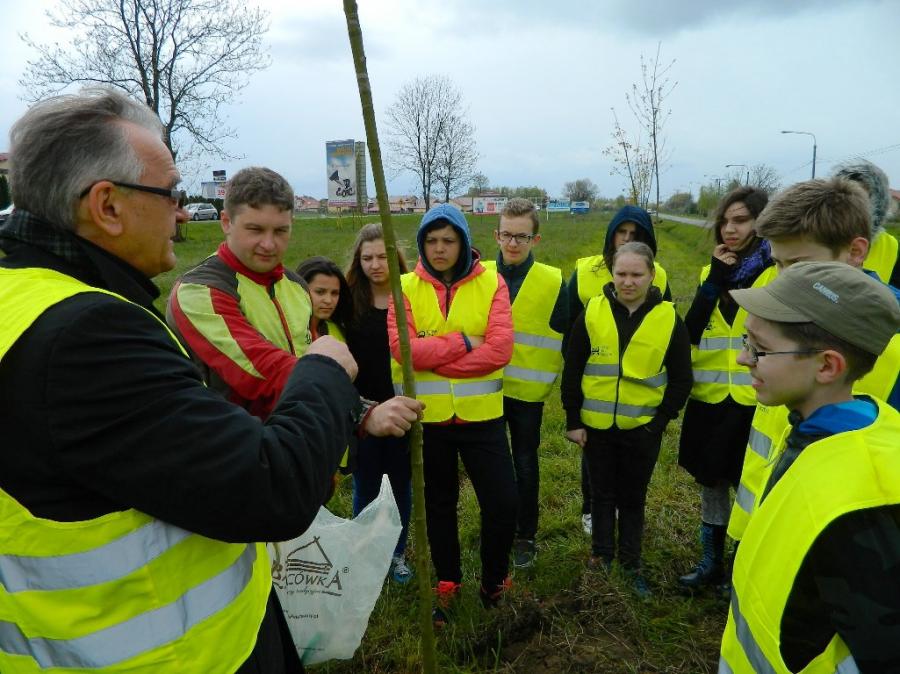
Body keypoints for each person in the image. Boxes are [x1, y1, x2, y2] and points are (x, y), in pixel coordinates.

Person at [0, 87, 419, 673]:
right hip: (170, 650)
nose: (180, 212)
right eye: (170, 192)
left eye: (282, 230)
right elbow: (267, 465)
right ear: (107, 205)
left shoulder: (24, 295)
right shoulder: (89, 332)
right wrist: (333, 377)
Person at [719, 261, 900, 673]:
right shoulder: (812, 430)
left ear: (827, 367)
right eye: (746, 340)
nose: (743, 358)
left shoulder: (860, 502)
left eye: (760, 349)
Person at [168, 166, 418, 432]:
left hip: (301, 440)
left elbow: (304, 358)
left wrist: (354, 413)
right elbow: (263, 370)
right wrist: (361, 412)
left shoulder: (297, 286)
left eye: (280, 231)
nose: (269, 244)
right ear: (226, 222)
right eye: (255, 229)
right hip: (237, 446)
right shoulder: (200, 290)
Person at [727, 178, 900, 546]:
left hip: (835, 549)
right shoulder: (783, 320)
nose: (783, 280)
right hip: (766, 527)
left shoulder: (892, 339)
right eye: (777, 263)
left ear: (856, 251)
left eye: (798, 265)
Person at [387, 203, 517, 626]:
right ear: (422, 244)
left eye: (448, 240)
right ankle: (448, 581)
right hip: (429, 420)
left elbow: (500, 350)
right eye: (431, 241)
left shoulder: (492, 282)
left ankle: (494, 580)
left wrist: (435, 361)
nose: (439, 249)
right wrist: (463, 342)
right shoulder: (404, 286)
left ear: (463, 242)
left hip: (483, 419)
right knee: (438, 506)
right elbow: (403, 350)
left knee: (502, 502)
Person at [561, 241, 692, 597]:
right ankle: (602, 557)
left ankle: (631, 565)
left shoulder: (669, 319)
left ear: (652, 275)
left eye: (637, 274)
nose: (628, 281)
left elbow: (682, 378)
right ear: (612, 273)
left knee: (633, 499)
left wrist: (659, 422)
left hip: (642, 430)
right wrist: (573, 420)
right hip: (596, 428)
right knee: (601, 495)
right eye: (621, 273)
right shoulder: (592, 312)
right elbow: (572, 369)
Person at [676, 187, 773, 589]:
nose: (730, 229)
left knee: (751, 487)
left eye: (741, 221)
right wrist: (714, 280)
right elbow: (691, 332)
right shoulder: (709, 273)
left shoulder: (775, 274)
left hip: (757, 399)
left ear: (761, 223)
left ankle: (742, 567)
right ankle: (710, 561)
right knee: (711, 482)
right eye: (725, 221)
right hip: (711, 396)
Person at [568, 204, 672, 535]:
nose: (626, 239)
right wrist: (582, 355)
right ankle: (592, 509)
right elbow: (565, 320)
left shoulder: (659, 274)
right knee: (595, 455)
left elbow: (664, 323)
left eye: (635, 234)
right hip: (595, 379)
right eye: (621, 233)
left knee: (628, 466)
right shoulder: (585, 270)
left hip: (637, 393)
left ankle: (624, 516)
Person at [481, 197, 567, 569]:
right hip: (482, 390)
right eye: (507, 235)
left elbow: (571, 340)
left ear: (536, 239)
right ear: (496, 235)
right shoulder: (480, 275)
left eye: (522, 236)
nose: (513, 243)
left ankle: (525, 535)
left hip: (528, 397)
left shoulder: (553, 281)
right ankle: (495, 526)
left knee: (525, 464)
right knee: (488, 467)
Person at [344, 223, 414, 584]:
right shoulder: (349, 301)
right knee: (367, 485)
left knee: (401, 485)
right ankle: (365, 553)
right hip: (363, 412)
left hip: (403, 409)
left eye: (382, 257)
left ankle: (397, 553)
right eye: (366, 258)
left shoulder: (410, 296)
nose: (374, 265)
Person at [832, 159, 899, 286]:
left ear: (879, 205)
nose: (851, 205)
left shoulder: (890, 245)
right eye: (844, 196)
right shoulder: (814, 236)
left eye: (861, 198)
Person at [296, 256, 353, 341]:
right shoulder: (284, 331)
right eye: (320, 292)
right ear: (300, 289)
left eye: (334, 293)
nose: (328, 300)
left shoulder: (338, 330)